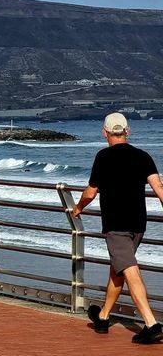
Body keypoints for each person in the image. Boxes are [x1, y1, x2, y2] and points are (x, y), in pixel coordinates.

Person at [73, 112, 163, 344]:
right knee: (119, 268)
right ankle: (103, 317)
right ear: (127, 131)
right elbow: (159, 188)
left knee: (129, 269)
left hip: (116, 224)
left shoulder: (103, 157)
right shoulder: (143, 156)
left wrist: (78, 207)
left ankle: (151, 324)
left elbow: (91, 192)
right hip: (138, 224)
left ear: (105, 133)